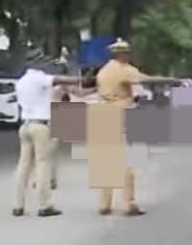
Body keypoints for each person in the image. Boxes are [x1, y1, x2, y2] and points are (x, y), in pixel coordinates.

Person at [95, 38, 174, 216]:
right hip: (120, 114)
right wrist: (170, 79)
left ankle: (104, 203)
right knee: (126, 162)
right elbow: (146, 80)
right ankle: (128, 203)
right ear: (123, 54)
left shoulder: (104, 70)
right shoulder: (125, 70)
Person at [13, 60, 84, 217]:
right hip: (40, 125)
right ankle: (45, 205)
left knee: (23, 165)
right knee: (42, 164)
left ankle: (18, 204)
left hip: (25, 125)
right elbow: (60, 79)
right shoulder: (39, 78)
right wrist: (81, 79)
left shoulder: (21, 81)